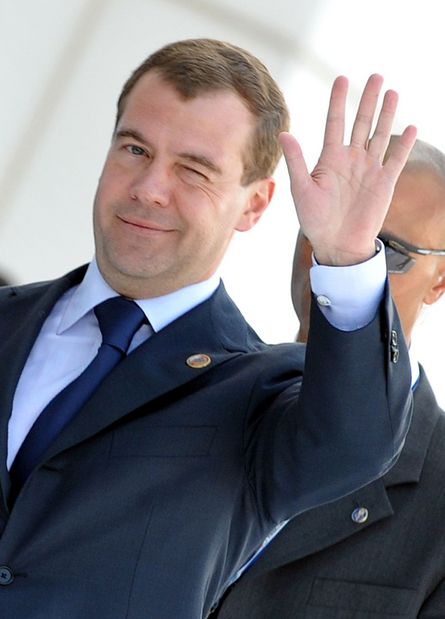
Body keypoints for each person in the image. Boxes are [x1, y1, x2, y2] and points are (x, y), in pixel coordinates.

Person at [0, 39, 415, 619]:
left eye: (193, 170)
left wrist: (345, 258)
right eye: (135, 149)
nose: (148, 188)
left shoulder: (259, 392)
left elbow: (352, 445)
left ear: (254, 205)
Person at [215, 136, 445, 618]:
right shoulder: (203, 394)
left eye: (385, 250)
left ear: (439, 280)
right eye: (326, 222)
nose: (344, 254)